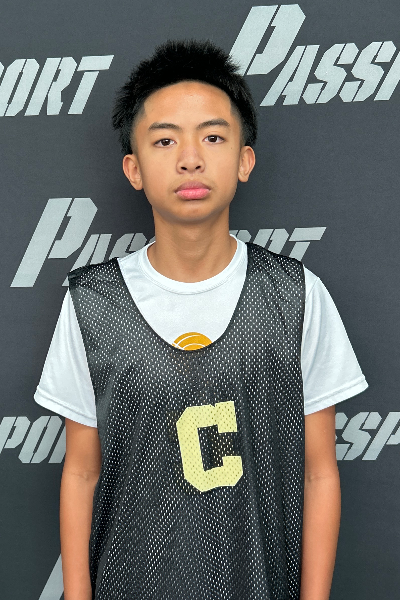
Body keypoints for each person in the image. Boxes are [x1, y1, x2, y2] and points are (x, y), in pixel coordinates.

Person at [34, 40, 368, 600]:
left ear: (244, 159)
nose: (190, 158)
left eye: (213, 137)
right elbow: (81, 471)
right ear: (134, 168)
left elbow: (318, 472)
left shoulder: (296, 295)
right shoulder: (92, 302)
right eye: (165, 140)